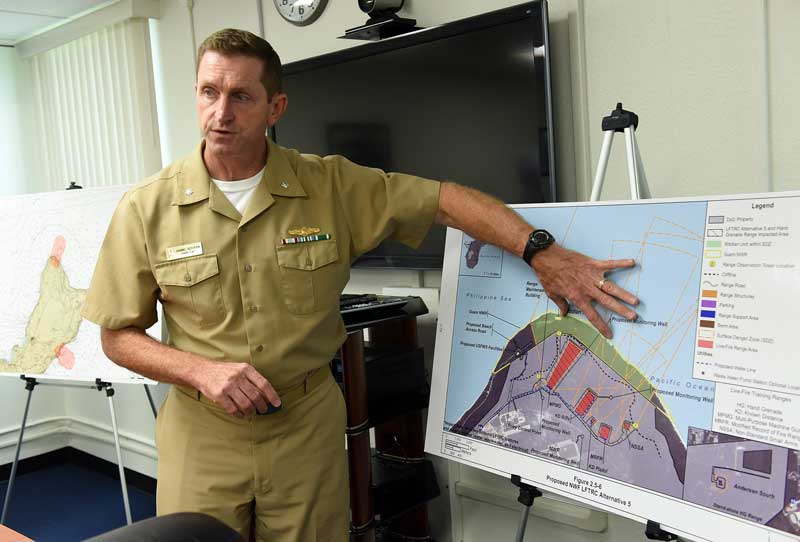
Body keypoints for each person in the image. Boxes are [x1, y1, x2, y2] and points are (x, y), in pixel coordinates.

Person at [82, 28, 639, 542]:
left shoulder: (329, 186)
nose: (220, 112)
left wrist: (539, 251)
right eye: (209, 92)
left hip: (304, 430)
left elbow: (442, 199)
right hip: (201, 434)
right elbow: (117, 335)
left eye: (241, 96)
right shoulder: (147, 208)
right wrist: (199, 370)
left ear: (275, 107)